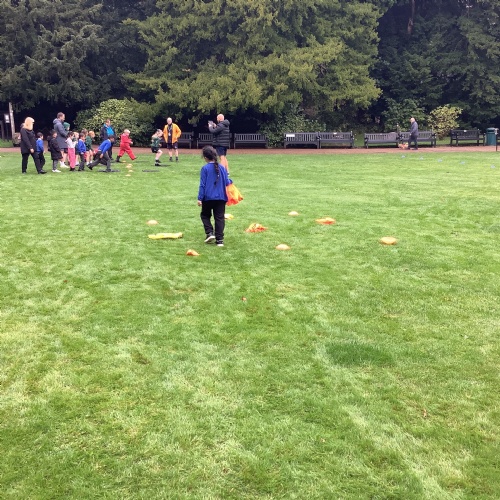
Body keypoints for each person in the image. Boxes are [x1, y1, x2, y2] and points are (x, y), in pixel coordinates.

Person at [197, 145, 232, 247]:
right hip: (221, 197)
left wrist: (200, 198)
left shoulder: (205, 168)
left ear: (205, 158)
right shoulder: (222, 168)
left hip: (208, 197)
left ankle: (209, 232)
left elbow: (202, 184)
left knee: (205, 215)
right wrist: (231, 181)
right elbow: (227, 182)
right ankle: (220, 240)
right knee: (219, 218)